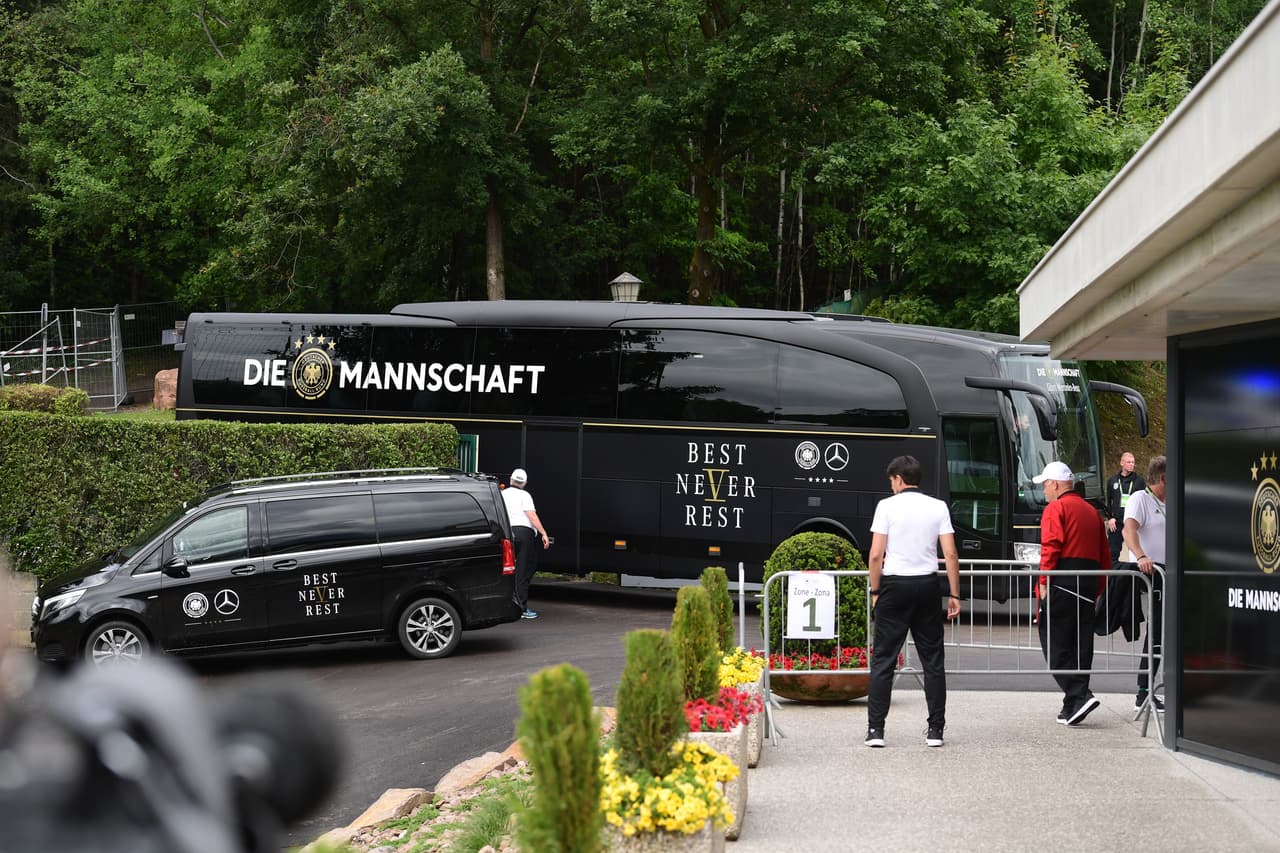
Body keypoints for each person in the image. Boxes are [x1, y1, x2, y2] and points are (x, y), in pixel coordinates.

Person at [865, 455, 961, 748]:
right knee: (933, 660)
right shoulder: (938, 507)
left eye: (892, 482)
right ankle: (935, 730)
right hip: (928, 584)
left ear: (898, 479)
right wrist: (954, 594)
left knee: (883, 660)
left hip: (895, 585)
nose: (891, 486)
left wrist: (875, 590)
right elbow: (951, 553)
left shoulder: (886, 507)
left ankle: (876, 731)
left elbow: (875, 555)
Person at [1034, 460, 1112, 726]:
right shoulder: (1092, 512)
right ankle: (1072, 704)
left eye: (1045, 484)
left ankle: (1079, 695)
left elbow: (1051, 545)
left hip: (1062, 582)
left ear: (1055, 484)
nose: (1044, 490)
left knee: (1055, 644)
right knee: (1080, 646)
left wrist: (1044, 580)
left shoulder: (1056, 508)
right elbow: (1105, 556)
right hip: (1088, 584)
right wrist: (1098, 589)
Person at [1122, 454, 1167, 718]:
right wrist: (1140, 556)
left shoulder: (1170, 501)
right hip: (1151, 571)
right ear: (1162, 478)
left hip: (1169, 571)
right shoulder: (1141, 498)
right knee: (1157, 632)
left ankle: (1151, 688)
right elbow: (1129, 530)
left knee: (1165, 632)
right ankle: (1143, 691)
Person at [502, 468, 550, 619]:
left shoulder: (502, 494)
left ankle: (507, 604)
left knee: (509, 569)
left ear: (511, 479)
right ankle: (521, 607)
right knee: (526, 568)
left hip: (507, 534)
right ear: (525, 483)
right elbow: (531, 515)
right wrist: (543, 533)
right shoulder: (525, 495)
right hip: (523, 534)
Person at [1105, 452, 1146, 560]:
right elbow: (1108, 501)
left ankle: (1136, 575)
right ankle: (1112, 576)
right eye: (1128, 462)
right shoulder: (1112, 481)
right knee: (1111, 553)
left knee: (1136, 552)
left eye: (1133, 462)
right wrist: (1110, 518)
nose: (1131, 464)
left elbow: (1144, 501)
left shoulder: (1139, 481)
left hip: (1133, 521)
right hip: (1117, 521)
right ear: (1122, 463)